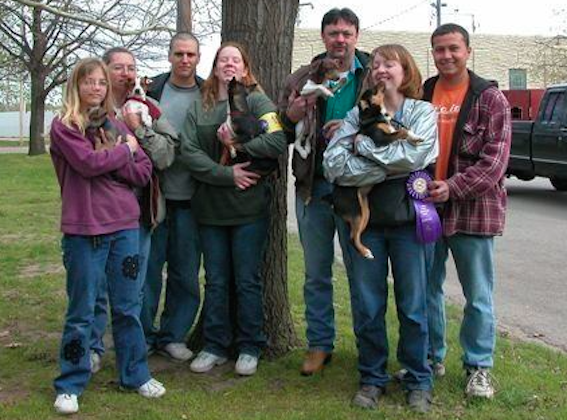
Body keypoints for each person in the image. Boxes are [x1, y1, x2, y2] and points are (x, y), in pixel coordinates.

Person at [323, 44, 439, 412]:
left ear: (405, 71)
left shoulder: (422, 112)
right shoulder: (358, 115)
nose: (380, 70)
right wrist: (387, 165)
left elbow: (416, 156)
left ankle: (418, 379)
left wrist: (366, 151)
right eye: (375, 65)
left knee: (414, 306)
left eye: (389, 64)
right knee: (368, 306)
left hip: (408, 224)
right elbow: (333, 165)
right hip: (366, 226)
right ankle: (372, 378)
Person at [50, 57, 165, 416]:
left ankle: (135, 374)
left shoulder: (117, 124)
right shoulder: (65, 126)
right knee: (82, 311)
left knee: (128, 308)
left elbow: (144, 170)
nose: (96, 88)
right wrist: (122, 154)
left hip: (124, 229)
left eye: (101, 82)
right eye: (89, 82)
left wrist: (117, 156)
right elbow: (87, 164)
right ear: (76, 86)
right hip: (84, 231)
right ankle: (70, 382)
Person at [180, 42, 286, 376]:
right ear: (214, 68)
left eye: (235, 59)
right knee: (216, 280)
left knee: (247, 280)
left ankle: (250, 346)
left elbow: (277, 141)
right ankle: (214, 345)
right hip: (211, 207)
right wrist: (226, 174)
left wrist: (237, 145)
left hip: (248, 208)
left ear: (244, 68)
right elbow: (189, 151)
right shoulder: (202, 105)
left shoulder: (257, 101)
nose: (229, 64)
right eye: (223, 59)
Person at [279, 7, 369, 376]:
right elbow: (281, 131)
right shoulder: (302, 77)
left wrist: (353, 132)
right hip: (312, 188)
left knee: (361, 273)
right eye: (333, 33)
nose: (340, 40)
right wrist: (294, 114)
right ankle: (319, 345)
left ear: (356, 37)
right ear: (323, 37)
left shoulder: (373, 75)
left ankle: (369, 346)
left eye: (347, 33)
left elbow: (391, 122)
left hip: (358, 189)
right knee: (316, 273)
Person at [424, 23, 511, 399]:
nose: (446, 56)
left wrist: (452, 187)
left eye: (453, 49)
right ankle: (430, 359)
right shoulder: (423, 92)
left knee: (477, 296)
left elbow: (495, 163)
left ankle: (479, 368)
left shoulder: (491, 99)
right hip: (425, 209)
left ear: (468, 51)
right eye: (439, 49)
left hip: (473, 211)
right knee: (425, 290)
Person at [89, 47, 178, 372]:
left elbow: (166, 156)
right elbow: (87, 162)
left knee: (132, 290)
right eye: (118, 68)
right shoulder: (88, 110)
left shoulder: (150, 109)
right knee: (94, 287)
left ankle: (132, 354)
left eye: (131, 68)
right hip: (95, 214)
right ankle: (92, 348)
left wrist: (139, 129)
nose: (126, 74)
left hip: (139, 213)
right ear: (104, 71)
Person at [142, 32, 203, 361]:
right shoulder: (152, 91)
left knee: (185, 272)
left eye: (190, 54)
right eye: (179, 53)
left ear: (198, 58)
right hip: (155, 198)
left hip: (193, 199)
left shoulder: (209, 92)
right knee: (148, 271)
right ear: (169, 56)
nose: (184, 60)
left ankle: (173, 335)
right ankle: (143, 335)